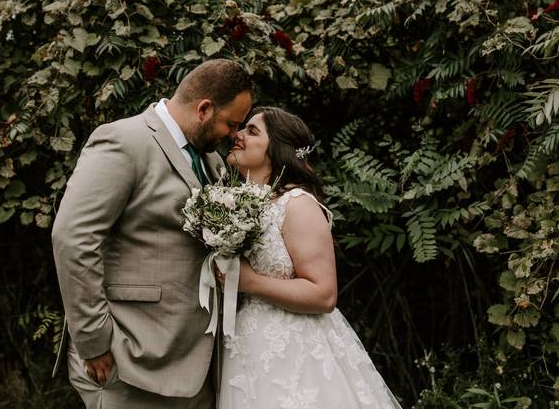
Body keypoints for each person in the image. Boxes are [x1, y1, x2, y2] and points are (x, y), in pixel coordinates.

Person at [51, 59, 253, 409]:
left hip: (196, 362)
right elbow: (74, 238)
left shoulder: (212, 162)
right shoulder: (124, 141)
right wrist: (94, 341)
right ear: (204, 109)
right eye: (231, 123)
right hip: (130, 357)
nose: (234, 135)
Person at [218, 106, 403, 408]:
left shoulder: (297, 203)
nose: (237, 135)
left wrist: (249, 282)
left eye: (252, 131)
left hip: (293, 350)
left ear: (277, 149)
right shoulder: (241, 203)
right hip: (247, 346)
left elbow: (323, 294)